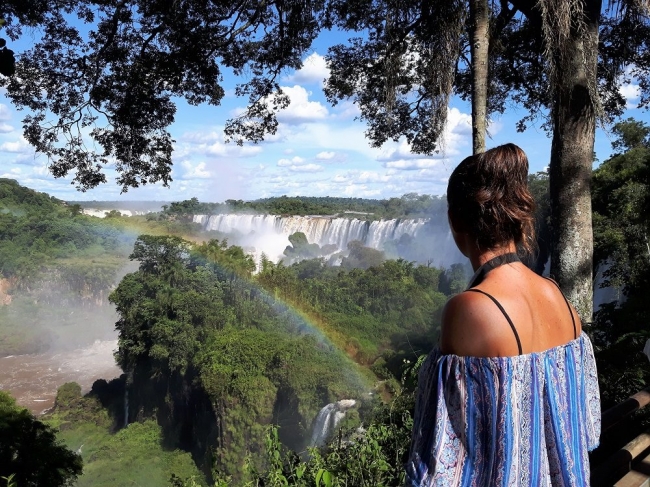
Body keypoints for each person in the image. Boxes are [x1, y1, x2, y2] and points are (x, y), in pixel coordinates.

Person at [406, 144, 600, 486]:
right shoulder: (556, 295)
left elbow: (440, 457)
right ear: (517, 219)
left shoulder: (470, 308)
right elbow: (587, 428)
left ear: (455, 221)